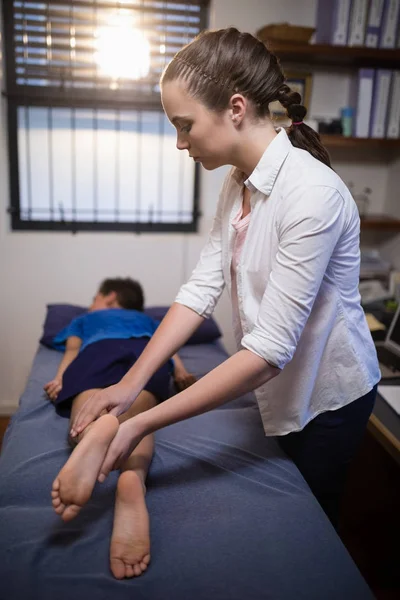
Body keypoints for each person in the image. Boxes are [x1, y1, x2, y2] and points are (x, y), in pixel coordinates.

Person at [61, 27, 380, 541]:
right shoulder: (238, 183)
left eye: (184, 125)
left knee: (310, 532)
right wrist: (129, 385)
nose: (181, 143)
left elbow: (269, 351)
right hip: (276, 385)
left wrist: (141, 422)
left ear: (235, 108)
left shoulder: (314, 195)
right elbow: (200, 288)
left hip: (329, 400)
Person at [45, 277, 196, 579]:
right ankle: (132, 478)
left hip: (97, 353)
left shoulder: (86, 319)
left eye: (94, 297)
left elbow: (72, 352)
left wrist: (61, 378)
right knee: (139, 416)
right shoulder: (149, 320)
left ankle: (96, 430)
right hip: (143, 356)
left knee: (90, 403)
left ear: (109, 297)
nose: (92, 303)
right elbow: (168, 347)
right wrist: (180, 370)